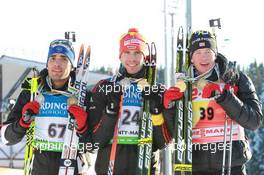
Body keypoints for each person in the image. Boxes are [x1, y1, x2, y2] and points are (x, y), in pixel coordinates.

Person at [164, 30, 263, 175]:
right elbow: (175, 132)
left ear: (215, 54)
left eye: (208, 51)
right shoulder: (184, 84)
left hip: (231, 164)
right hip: (195, 165)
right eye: (198, 52)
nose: (203, 57)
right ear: (191, 58)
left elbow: (254, 121)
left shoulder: (234, 78)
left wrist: (225, 97)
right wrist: (170, 106)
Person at [84, 28, 172, 175]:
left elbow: (163, 143)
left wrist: (155, 109)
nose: (132, 59)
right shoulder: (104, 87)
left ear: (145, 56)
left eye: (137, 53)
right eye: (127, 53)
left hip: (145, 168)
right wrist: (111, 111)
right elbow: (95, 141)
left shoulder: (157, 90)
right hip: (110, 167)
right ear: (120, 56)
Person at [1, 39, 88, 175]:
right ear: (47, 63)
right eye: (52, 58)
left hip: (72, 168)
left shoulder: (82, 96)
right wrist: (23, 123)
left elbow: (96, 143)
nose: (57, 64)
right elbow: (4, 138)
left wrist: (83, 127)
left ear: (72, 66)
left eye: (64, 59)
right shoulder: (31, 93)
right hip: (38, 168)